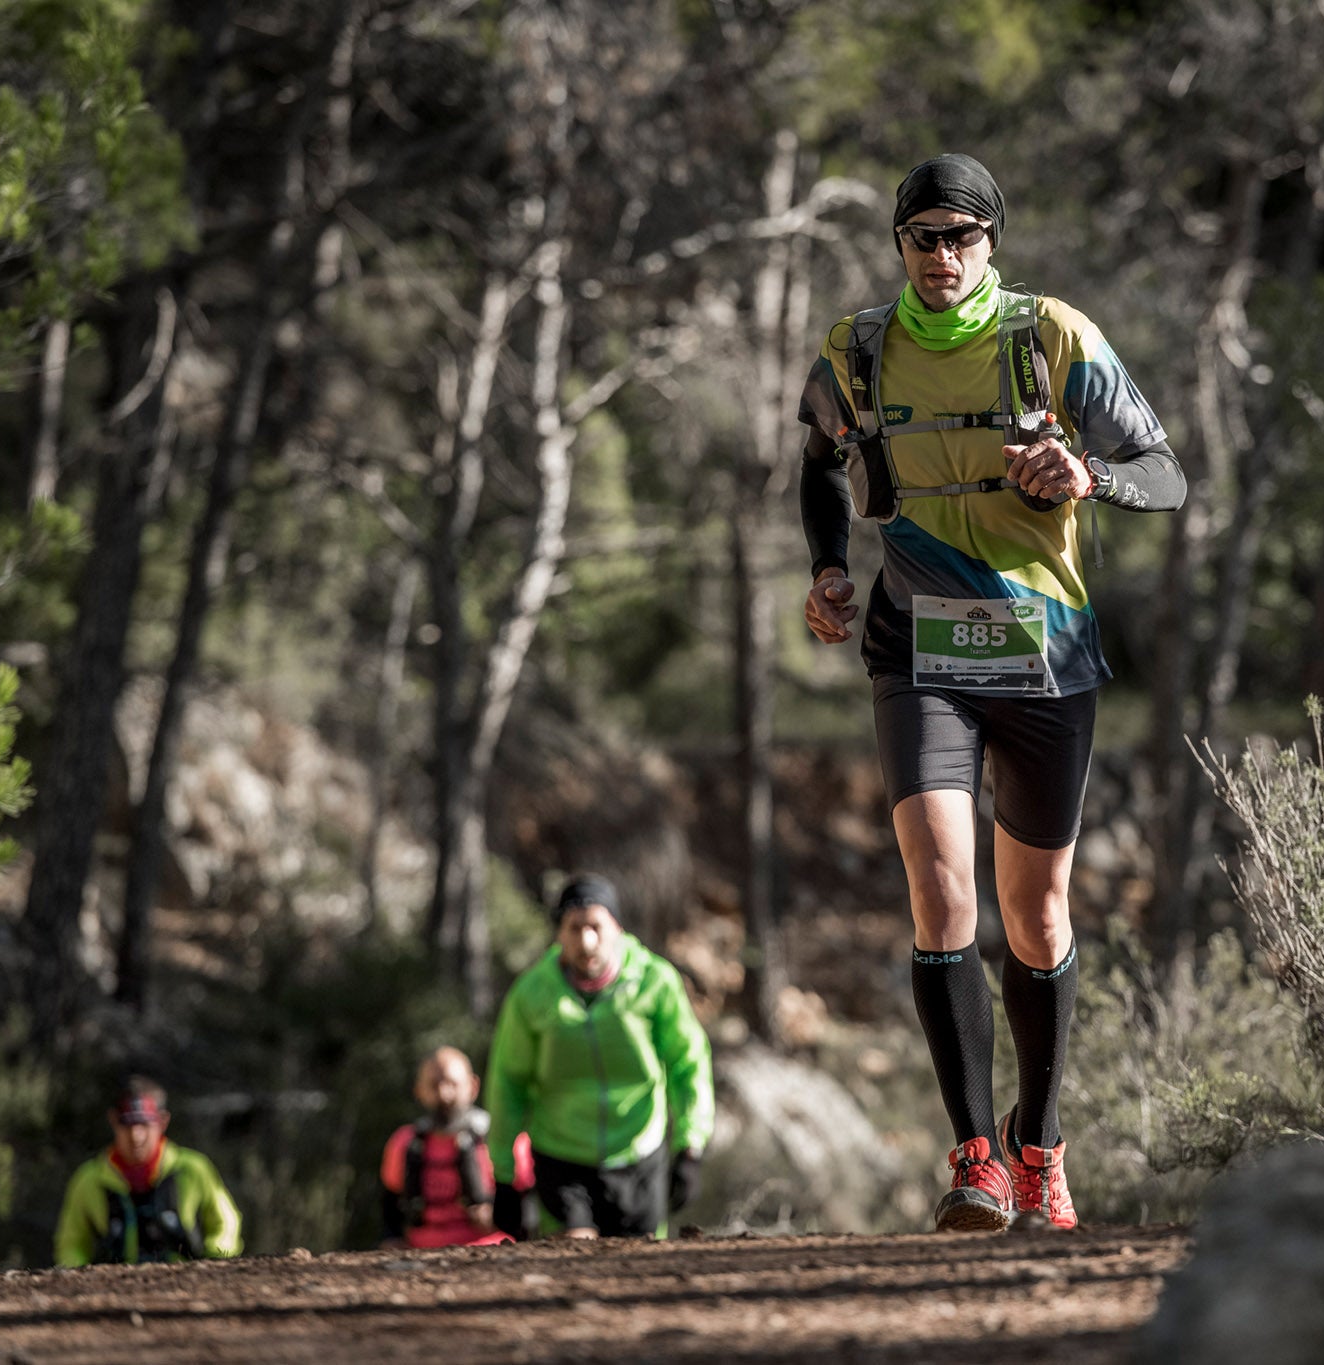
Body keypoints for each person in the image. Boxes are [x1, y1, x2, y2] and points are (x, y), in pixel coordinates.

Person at [796, 153, 1186, 1232]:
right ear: (898, 245)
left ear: (991, 242)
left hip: (1041, 651)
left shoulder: (1051, 336)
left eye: (961, 234)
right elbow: (818, 462)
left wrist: (1086, 475)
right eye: (921, 235)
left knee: (1036, 913)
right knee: (938, 893)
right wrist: (828, 569)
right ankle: (972, 1157)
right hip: (916, 646)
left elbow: (1164, 472)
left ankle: (1039, 1148)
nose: (940, 255)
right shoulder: (859, 348)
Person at [486, 874, 714, 1239]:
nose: (586, 941)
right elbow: (508, 1080)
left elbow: (688, 1063)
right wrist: (503, 1173)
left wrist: (691, 1146)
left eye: (596, 926)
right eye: (574, 928)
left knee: (639, 1274)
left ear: (618, 928)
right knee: (574, 1258)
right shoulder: (532, 994)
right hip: (561, 1156)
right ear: (559, 933)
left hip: (639, 1152)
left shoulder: (654, 982)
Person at [54, 1076, 243, 1266]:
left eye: (144, 1124)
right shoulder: (89, 1180)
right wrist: (78, 1273)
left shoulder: (193, 1169)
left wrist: (215, 1262)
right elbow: (71, 1242)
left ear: (162, 1121)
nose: (136, 1136)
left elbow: (226, 1223)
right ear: (113, 1120)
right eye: (127, 1124)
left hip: (187, 1282)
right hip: (112, 1287)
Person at [378, 1046, 534, 1248]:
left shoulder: (505, 1140)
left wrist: (498, 1217)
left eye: (453, 1084)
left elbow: (530, 1212)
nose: (444, 1094)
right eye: (434, 1085)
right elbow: (390, 1210)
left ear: (473, 1086)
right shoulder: (404, 1143)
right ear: (419, 1091)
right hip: (419, 1258)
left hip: (493, 1255)